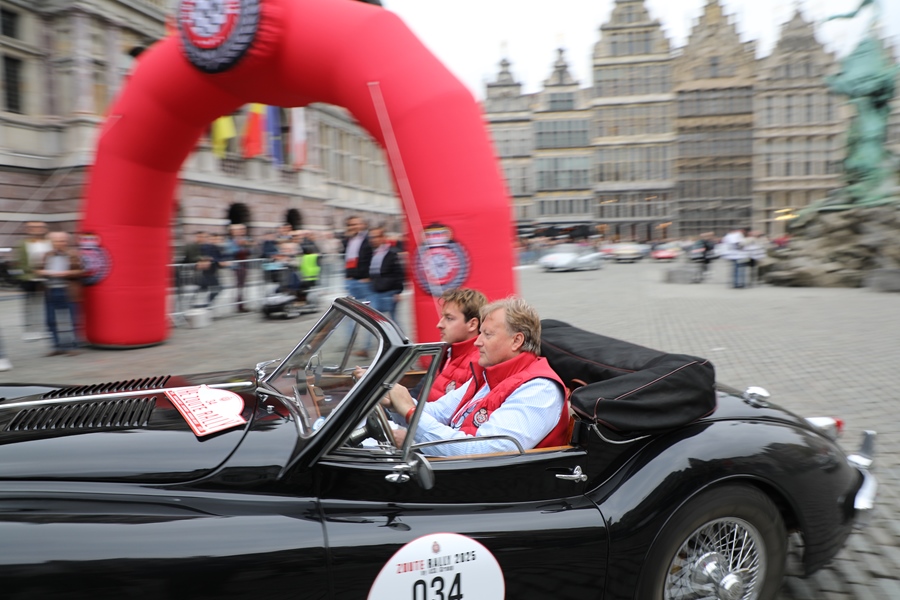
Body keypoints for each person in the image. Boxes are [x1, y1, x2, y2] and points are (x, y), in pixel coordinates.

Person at [382, 297, 568, 457]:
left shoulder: (539, 389)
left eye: (487, 334)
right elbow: (437, 412)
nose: (477, 342)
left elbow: (484, 452)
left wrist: (410, 413)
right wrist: (394, 402)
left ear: (516, 341)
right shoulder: (488, 375)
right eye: (480, 333)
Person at [426, 287, 487, 401]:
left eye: (449, 318)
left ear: (472, 324)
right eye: (442, 317)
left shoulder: (478, 364)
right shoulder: (447, 354)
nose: (439, 325)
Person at [37, 231, 84, 356]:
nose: (59, 243)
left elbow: (81, 271)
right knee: (51, 320)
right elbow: (39, 269)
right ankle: (57, 346)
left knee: (71, 319)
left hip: (68, 291)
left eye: (62, 241)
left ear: (66, 242)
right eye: (56, 241)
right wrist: (42, 272)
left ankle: (73, 346)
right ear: (51, 242)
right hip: (51, 290)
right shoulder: (47, 255)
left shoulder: (73, 254)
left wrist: (67, 273)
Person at [15, 221, 51, 341]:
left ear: (45, 229)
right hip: (30, 279)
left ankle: (46, 329)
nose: (36, 229)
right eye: (32, 227)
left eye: (39, 227)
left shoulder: (49, 243)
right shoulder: (23, 244)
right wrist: (29, 274)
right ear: (27, 229)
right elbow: (19, 263)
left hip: (47, 278)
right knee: (30, 306)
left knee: (46, 305)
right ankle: (29, 331)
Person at [367, 227, 404, 322]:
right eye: (371, 237)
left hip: (389, 291)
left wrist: (398, 291)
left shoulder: (391, 253)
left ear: (383, 237)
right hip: (376, 290)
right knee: (376, 320)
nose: (373, 240)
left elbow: (398, 272)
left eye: (376, 237)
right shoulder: (372, 253)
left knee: (392, 320)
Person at [224, 223, 255, 313]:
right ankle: (239, 305)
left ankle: (242, 304)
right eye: (238, 230)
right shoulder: (230, 241)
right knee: (238, 286)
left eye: (242, 230)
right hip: (236, 266)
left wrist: (246, 246)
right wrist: (239, 247)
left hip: (245, 265)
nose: (240, 231)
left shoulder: (246, 239)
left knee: (243, 285)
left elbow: (251, 251)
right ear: (232, 232)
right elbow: (229, 251)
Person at [342, 215, 373, 302]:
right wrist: (348, 276)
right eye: (350, 225)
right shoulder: (349, 240)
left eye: (355, 224)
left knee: (368, 306)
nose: (353, 227)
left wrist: (369, 277)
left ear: (363, 225)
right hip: (351, 279)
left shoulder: (369, 239)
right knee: (355, 306)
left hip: (364, 280)